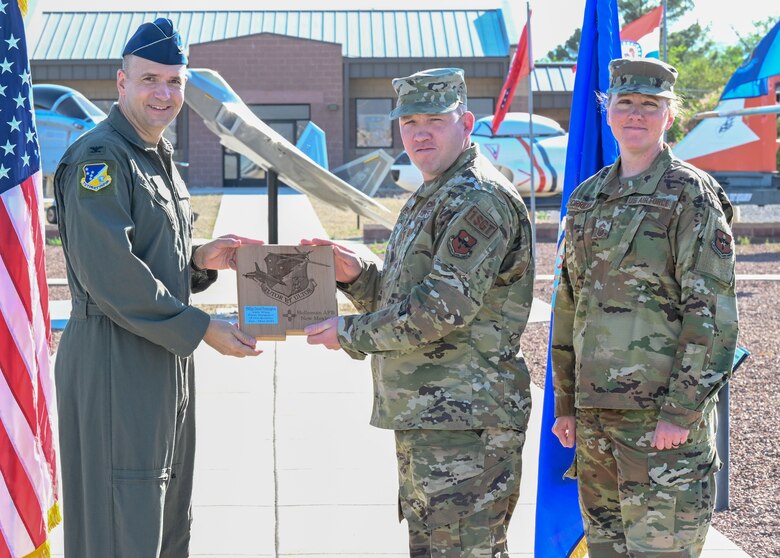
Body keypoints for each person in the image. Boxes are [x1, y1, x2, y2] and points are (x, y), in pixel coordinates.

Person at [303, 68, 535, 557]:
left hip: (467, 424)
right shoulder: (435, 193)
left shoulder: (478, 198)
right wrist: (357, 277)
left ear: (466, 122)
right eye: (410, 121)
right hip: (434, 421)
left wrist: (349, 331)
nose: (420, 132)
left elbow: (440, 309)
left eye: (435, 119)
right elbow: (409, 295)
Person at [53, 18, 261, 557]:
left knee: (166, 520)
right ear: (121, 83)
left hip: (162, 356)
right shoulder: (100, 159)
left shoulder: (157, 159)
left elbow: (149, 255)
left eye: (174, 81)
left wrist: (198, 260)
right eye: (150, 80)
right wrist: (202, 327)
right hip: (115, 360)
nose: (163, 93)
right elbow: (111, 274)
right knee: (124, 520)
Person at [551, 57, 739, 557]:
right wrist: (567, 404)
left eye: (650, 105)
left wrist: (680, 413)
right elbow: (571, 308)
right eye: (625, 102)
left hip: (661, 426)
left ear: (668, 116)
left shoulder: (690, 195)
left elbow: (713, 314)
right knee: (606, 551)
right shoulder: (587, 200)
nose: (636, 114)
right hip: (596, 424)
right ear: (607, 111)